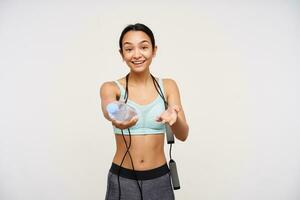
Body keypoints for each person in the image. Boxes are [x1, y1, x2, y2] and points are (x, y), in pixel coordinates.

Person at [100, 23, 189, 200]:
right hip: (122, 179)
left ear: (154, 50)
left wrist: (174, 119)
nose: (137, 54)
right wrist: (117, 115)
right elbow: (108, 105)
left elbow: (183, 134)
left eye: (144, 47)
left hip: (159, 179)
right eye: (129, 49)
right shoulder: (111, 87)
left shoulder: (168, 86)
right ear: (122, 54)